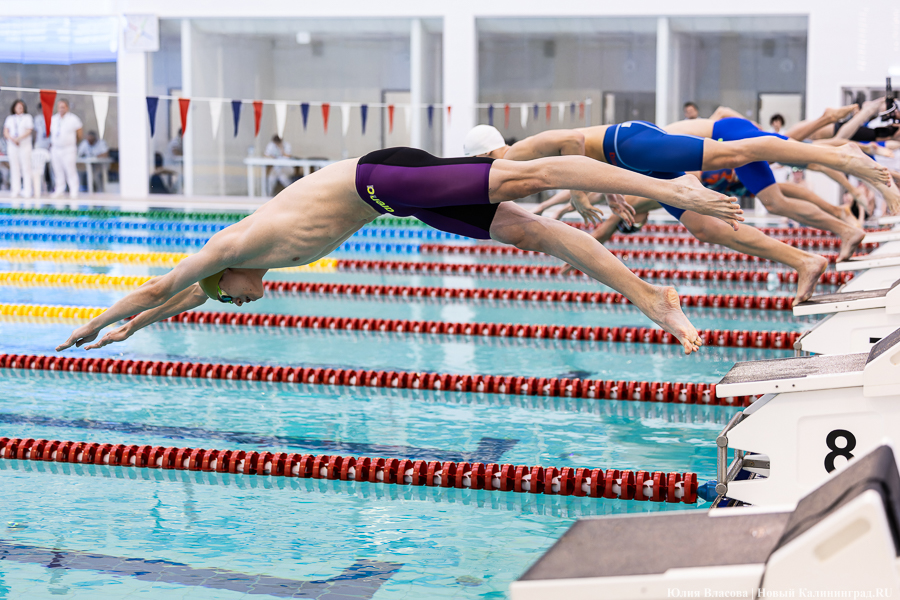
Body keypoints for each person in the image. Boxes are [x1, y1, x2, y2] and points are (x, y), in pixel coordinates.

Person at [56, 147, 746, 357]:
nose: (242, 301)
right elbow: (175, 301)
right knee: (534, 231)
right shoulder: (255, 264)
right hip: (398, 200)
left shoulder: (238, 244)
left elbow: (162, 287)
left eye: (231, 296)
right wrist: (130, 331)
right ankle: (655, 299)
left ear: (229, 274)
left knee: (533, 176)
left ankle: (672, 187)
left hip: (381, 178)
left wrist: (95, 321)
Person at [477, 118, 892, 303]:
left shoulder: (515, 153)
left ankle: (845, 158)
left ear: (487, 154)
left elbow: (569, 140)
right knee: (707, 229)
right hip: (628, 161)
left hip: (628, 144)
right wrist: (605, 195)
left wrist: (579, 195)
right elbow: (580, 164)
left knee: (738, 152)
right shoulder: (515, 162)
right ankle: (802, 260)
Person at [50, 99, 83, 199]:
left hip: (68, 149)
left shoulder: (73, 119)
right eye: (59, 107)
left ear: (67, 108)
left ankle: (74, 190)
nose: (61, 109)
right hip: (56, 148)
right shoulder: (54, 119)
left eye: (63, 107)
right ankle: (59, 189)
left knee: (70, 170)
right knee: (57, 170)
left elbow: (79, 134)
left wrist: (71, 142)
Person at [3, 99, 34, 198]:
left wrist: (19, 139)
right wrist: (12, 139)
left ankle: (27, 189)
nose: (20, 108)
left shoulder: (27, 117)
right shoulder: (10, 118)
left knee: (26, 168)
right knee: (14, 168)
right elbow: (6, 132)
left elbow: (29, 130)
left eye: (21, 107)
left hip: (24, 146)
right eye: (18, 107)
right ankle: (15, 189)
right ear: (14, 108)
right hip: (12, 146)